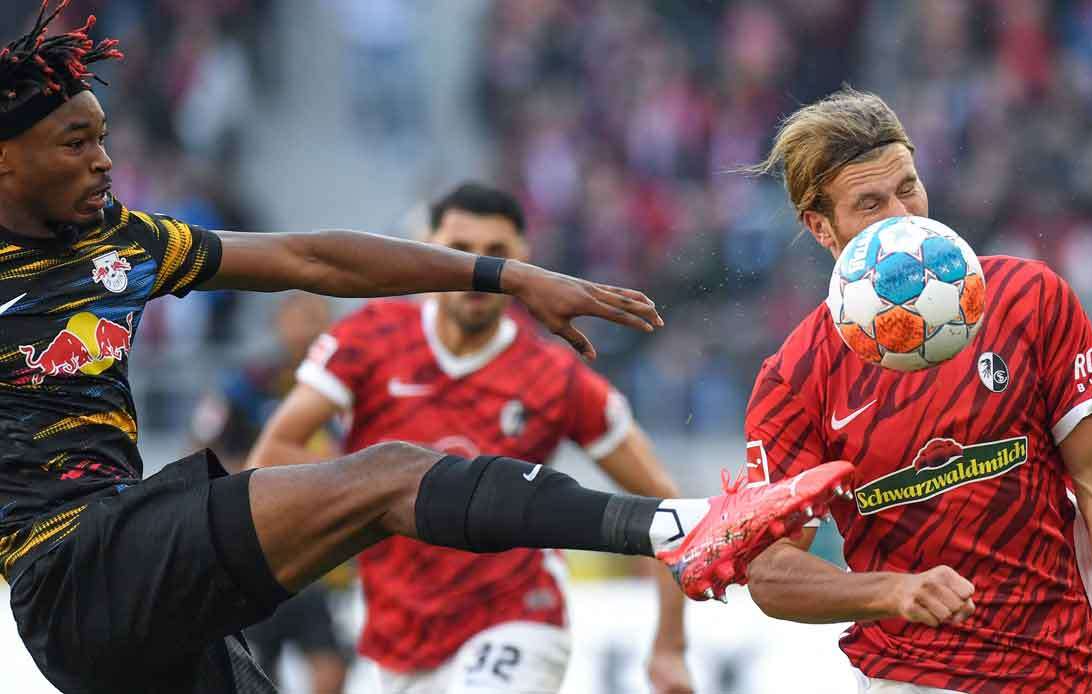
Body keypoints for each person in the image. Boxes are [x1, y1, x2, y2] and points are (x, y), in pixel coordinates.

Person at [0, 5, 852, 693]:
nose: (107, 160)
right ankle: (683, 528)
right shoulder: (366, 352)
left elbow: (312, 257)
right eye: (78, 143)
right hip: (71, 566)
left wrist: (507, 277)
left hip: (141, 579)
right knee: (394, 472)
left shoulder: (124, 244)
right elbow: (286, 435)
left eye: (105, 135)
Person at [739, 86, 1092, 694]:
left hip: (1070, 666)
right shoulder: (796, 377)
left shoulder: (1029, 299)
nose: (901, 218)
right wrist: (893, 590)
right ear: (821, 227)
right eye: (869, 203)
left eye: (908, 187)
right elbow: (770, 572)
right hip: (915, 678)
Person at [248, 183, 694, 694]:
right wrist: (365, 495)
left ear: (523, 260)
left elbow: (664, 506)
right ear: (425, 249)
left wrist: (670, 646)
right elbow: (273, 455)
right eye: (458, 250)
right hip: (399, 632)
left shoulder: (555, 376)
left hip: (518, 617)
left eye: (496, 253)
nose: (476, 268)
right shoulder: (369, 339)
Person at [191, 293, 352, 694]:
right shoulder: (248, 382)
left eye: (317, 318)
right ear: (279, 323)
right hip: (256, 551)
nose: (307, 329)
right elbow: (199, 448)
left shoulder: (348, 385)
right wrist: (253, 475)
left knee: (331, 670)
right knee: (258, 671)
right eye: (299, 318)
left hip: (321, 557)